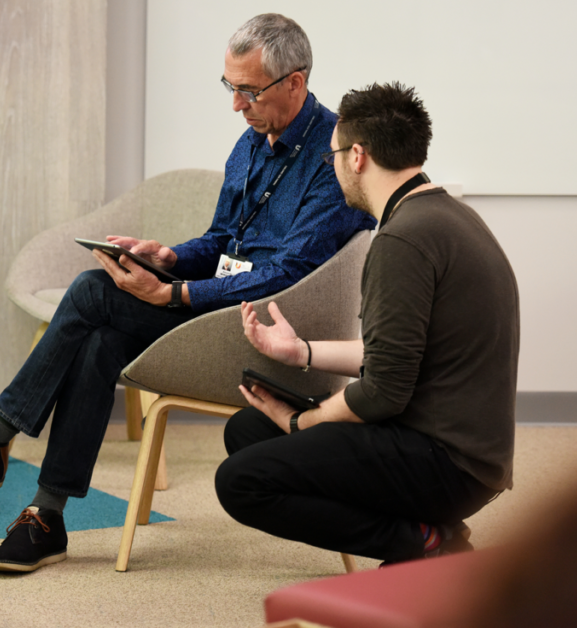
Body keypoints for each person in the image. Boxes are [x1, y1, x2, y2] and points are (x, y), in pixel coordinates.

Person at [0, 13, 376, 573]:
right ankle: (46, 516)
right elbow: (224, 239)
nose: (236, 105)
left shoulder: (336, 155)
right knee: (100, 337)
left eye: (249, 92)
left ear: (294, 83)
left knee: (89, 291)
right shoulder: (251, 143)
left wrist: (173, 296)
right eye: (231, 88)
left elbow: (289, 276)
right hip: (219, 304)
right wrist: (170, 258)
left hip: (272, 331)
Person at [216, 82, 519, 565]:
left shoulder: (403, 241)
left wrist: (304, 422)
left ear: (357, 156)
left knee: (240, 482)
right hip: (466, 455)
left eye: (332, 154)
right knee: (250, 431)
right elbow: (400, 354)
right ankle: (429, 529)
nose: (331, 166)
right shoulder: (447, 217)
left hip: (446, 463)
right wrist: (302, 353)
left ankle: (423, 543)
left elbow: (383, 391)